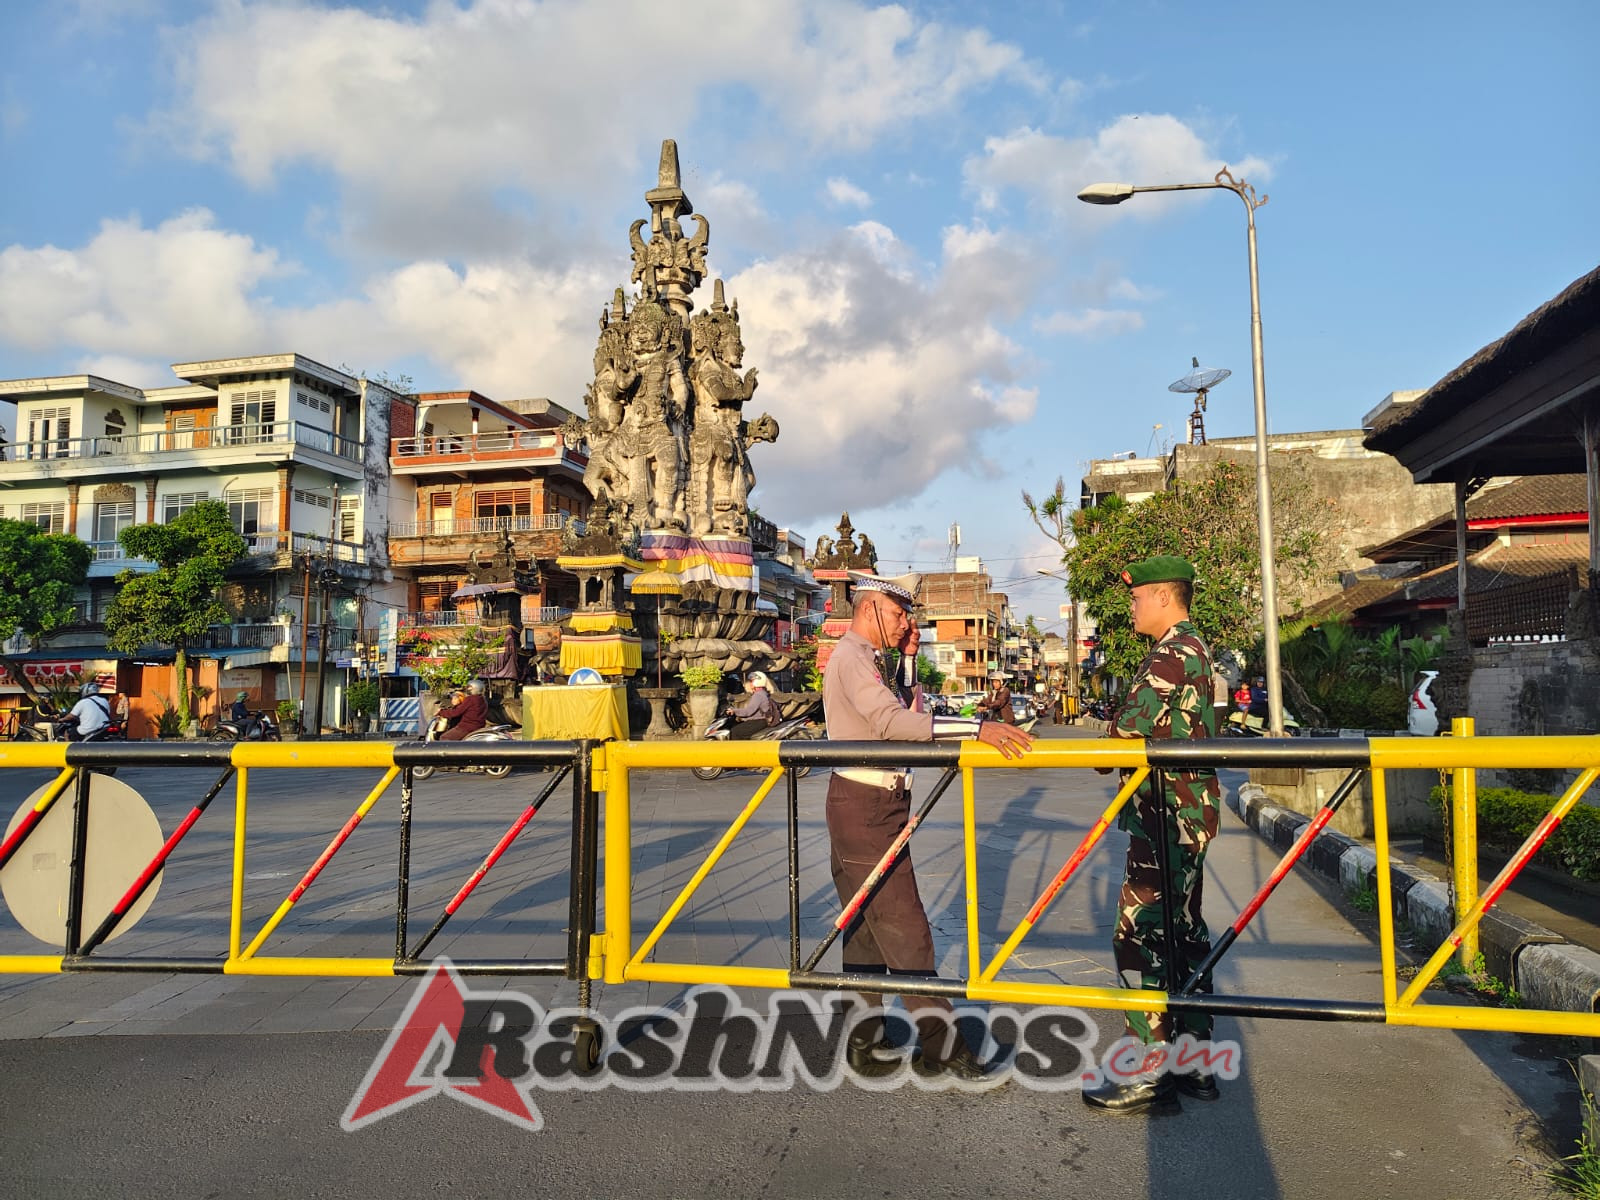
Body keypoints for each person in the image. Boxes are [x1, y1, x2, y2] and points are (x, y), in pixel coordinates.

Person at [823, 571, 1032, 1083]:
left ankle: (862, 1038)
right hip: (865, 805)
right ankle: (944, 1047)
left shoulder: (874, 661)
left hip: (874, 803)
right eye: (898, 614)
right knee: (906, 928)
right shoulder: (851, 658)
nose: (905, 623)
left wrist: (912, 659)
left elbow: (907, 711)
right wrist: (978, 728)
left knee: (868, 929)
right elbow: (893, 725)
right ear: (869, 608)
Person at [1085, 556, 1222, 1114]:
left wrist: (1101, 746)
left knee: (1139, 933)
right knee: (1183, 933)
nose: (1133, 605)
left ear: (1164, 597)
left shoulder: (1170, 655)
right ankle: (1194, 1065)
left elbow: (1122, 736)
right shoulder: (1199, 651)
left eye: (1138, 596)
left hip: (1165, 816)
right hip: (1187, 813)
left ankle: (1148, 1068)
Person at [725, 671, 780, 739]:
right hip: (762, 721)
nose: (750, 683)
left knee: (734, 732)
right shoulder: (763, 693)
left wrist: (734, 711)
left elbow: (749, 711)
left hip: (758, 722)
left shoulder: (758, 695)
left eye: (752, 681)